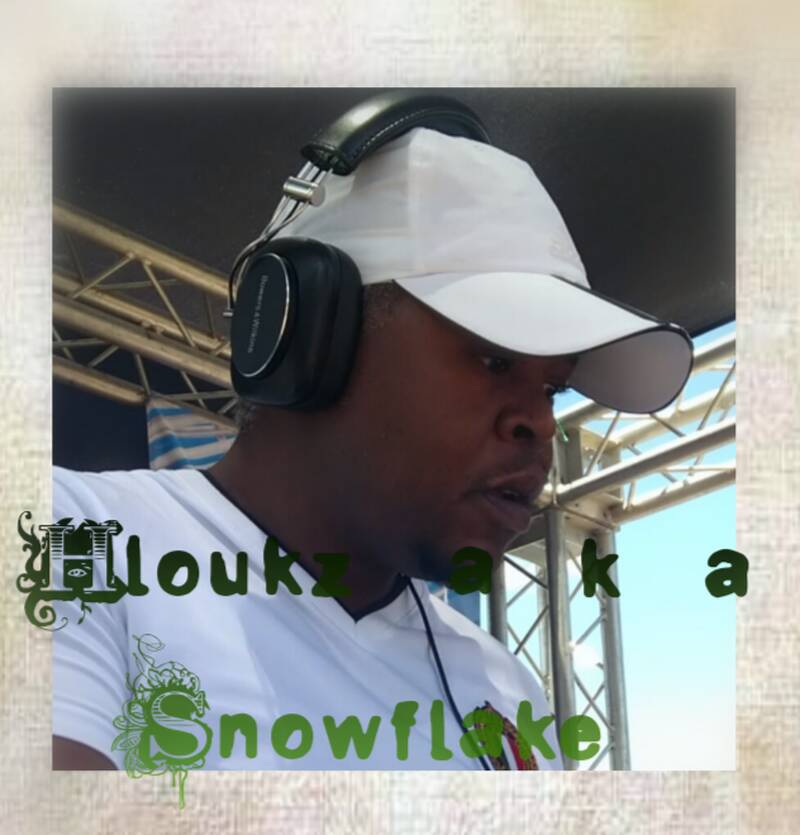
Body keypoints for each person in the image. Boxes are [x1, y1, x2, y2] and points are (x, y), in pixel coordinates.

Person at [51, 94, 692, 772]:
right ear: (310, 337)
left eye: (552, 388)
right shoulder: (75, 543)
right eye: (494, 359)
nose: (537, 422)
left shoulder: (506, 691)